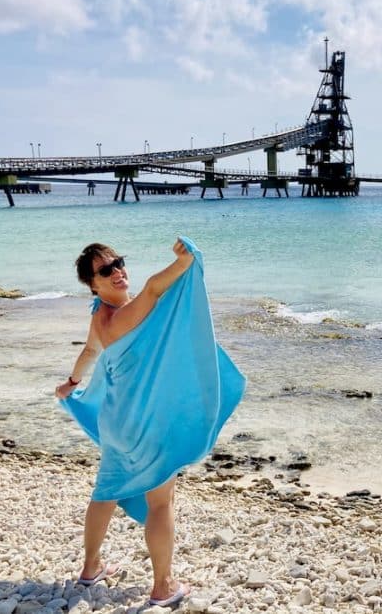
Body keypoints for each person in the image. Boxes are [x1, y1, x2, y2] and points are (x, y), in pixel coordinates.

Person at [56, 237, 244, 608]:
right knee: (161, 501)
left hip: (116, 425)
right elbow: (155, 289)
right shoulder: (125, 316)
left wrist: (73, 383)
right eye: (106, 270)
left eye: (119, 262)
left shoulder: (100, 316)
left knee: (106, 492)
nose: (118, 271)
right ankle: (162, 585)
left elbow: (90, 351)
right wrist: (184, 262)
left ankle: (91, 567)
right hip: (143, 427)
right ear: (93, 283)